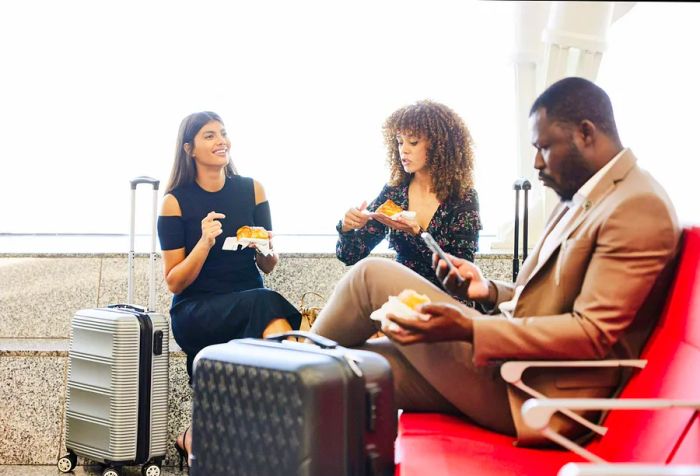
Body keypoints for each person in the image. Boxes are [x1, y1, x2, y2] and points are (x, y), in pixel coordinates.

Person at [311, 77, 680, 446]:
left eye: (544, 147)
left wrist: (469, 329)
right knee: (343, 368)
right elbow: (543, 296)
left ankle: (268, 375)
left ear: (585, 133)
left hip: (536, 392)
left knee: (370, 276)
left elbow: (592, 334)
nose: (536, 162)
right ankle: (278, 385)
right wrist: (488, 289)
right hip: (512, 365)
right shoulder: (589, 197)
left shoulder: (636, 205)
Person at [157, 111, 301, 467]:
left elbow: (268, 266)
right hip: (197, 309)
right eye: (209, 136)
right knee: (267, 304)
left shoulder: (252, 189)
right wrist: (204, 242)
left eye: (222, 133)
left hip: (248, 299)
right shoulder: (175, 201)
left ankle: (198, 437)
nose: (221, 141)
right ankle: (293, 412)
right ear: (189, 148)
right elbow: (174, 280)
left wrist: (263, 247)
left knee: (263, 303)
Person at [336, 100, 481, 294]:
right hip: (403, 293)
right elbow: (350, 255)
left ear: (439, 146)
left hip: (446, 300)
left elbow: (459, 275)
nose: (403, 150)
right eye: (399, 142)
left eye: (413, 142)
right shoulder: (394, 192)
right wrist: (347, 228)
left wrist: (418, 234)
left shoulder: (463, 198)